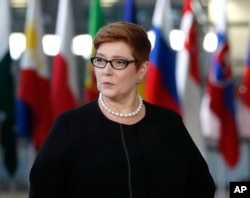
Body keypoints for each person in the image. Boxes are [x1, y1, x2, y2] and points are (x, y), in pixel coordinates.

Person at [29, 21, 215, 198]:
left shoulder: (168, 123)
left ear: (141, 70)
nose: (105, 71)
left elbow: (201, 187)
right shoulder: (70, 125)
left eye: (118, 62)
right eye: (100, 60)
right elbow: (43, 191)